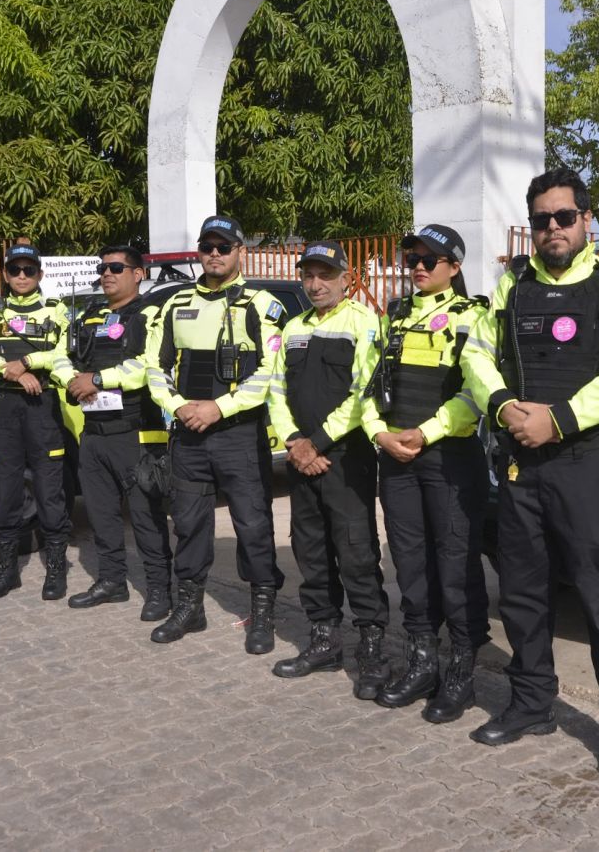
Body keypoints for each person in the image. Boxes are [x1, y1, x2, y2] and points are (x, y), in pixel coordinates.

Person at [461, 167, 599, 785]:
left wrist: (558, 420)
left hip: (591, 464)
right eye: (541, 220)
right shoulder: (511, 285)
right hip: (523, 464)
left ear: (586, 221)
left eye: (564, 217)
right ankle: (531, 703)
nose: (553, 229)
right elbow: (475, 354)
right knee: (523, 593)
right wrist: (503, 407)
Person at [360, 224, 489, 723]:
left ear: (454, 267)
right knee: (410, 564)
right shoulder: (392, 316)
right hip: (396, 458)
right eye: (411, 258)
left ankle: (462, 671)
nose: (416, 266)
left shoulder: (472, 316)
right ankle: (422, 661)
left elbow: (476, 392)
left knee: (456, 566)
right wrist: (379, 433)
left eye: (428, 260)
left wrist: (425, 432)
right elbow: (368, 384)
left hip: (448, 459)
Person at [145, 215, 286, 653]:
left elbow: (271, 372)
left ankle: (262, 613)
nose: (215, 254)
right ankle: (190, 608)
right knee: (189, 524)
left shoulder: (261, 305)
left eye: (224, 247)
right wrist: (178, 406)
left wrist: (218, 407)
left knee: (253, 525)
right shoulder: (175, 304)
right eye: (207, 247)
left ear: (240, 251)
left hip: (238, 434)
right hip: (188, 433)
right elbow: (154, 366)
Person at [267, 241, 390, 699]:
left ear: (346, 278)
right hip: (301, 459)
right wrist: (293, 441)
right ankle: (324, 641)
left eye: (325, 275)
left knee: (357, 555)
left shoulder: (364, 323)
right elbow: (275, 390)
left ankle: (372, 649)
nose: (316, 284)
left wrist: (315, 442)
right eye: (308, 275)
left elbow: (364, 393)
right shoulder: (293, 327)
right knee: (311, 552)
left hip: (345, 459)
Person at [50, 245, 173, 621]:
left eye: (116, 268)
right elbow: (60, 356)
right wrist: (73, 380)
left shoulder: (151, 313)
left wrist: (98, 380)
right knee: (101, 514)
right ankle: (112, 581)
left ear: (138, 274)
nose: (107, 273)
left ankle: (159, 590)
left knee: (146, 516)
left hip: (136, 434)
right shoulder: (89, 314)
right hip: (94, 432)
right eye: (102, 268)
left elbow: (149, 366)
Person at [0, 244, 73, 601]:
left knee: (49, 491)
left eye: (29, 270)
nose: (22, 276)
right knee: (5, 491)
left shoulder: (56, 309)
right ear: (6, 274)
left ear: (40, 274)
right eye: (15, 269)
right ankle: (7, 570)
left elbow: (64, 353)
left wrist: (28, 362)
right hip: (3, 408)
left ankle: (56, 569)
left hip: (42, 406)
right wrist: (8, 371)